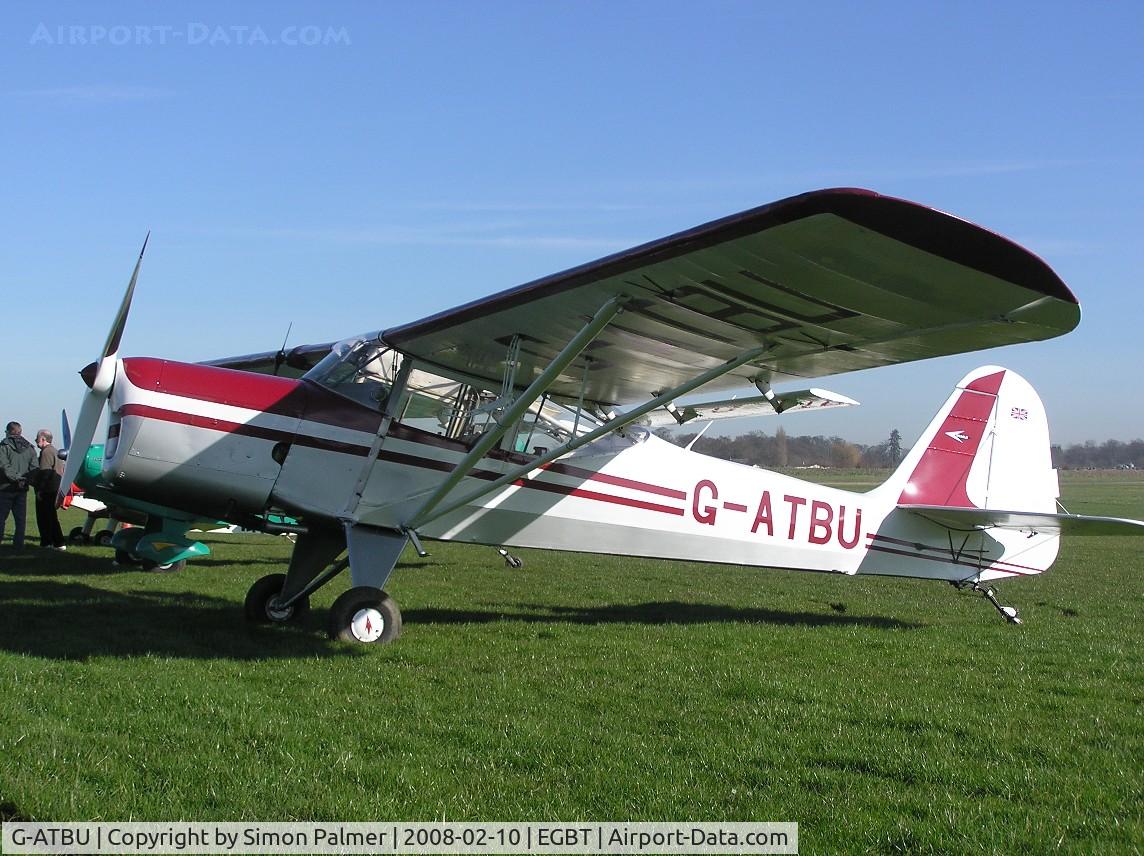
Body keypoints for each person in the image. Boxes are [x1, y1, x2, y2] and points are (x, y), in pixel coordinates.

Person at [0, 421, 39, 551]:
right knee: (20, 519)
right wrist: (25, 480)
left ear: (8, 432)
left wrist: (16, 477)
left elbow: (4, 466)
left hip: (5, 487)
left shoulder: (4, 446)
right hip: (22, 488)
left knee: (1, 518)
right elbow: (34, 468)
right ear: (20, 432)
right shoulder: (30, 448)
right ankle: (18, 544)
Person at [33, 429, 67, 550]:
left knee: (44, 517)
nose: (36, 441)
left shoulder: (46, 452)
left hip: (47, 490)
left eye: (37, 438)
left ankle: (49, 542)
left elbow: (44, 473)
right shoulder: (55, 451)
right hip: (55, 488)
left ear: (43, 439)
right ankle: (57, 542)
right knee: (51, 516)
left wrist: (39, 490)